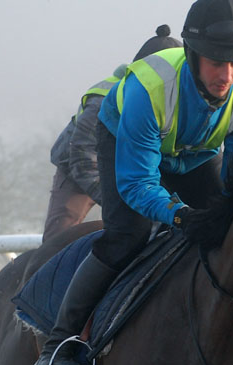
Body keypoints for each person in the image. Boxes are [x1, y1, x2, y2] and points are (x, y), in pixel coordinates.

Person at [28, 0, 233, 365]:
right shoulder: (151, 91)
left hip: (193, 155)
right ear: (192, 55)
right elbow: (137, 184)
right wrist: (178, 215)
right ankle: (59, 344)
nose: (226, 75)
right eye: (216, 62)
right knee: (127, 236)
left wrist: (226, 217)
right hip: (124, 143)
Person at [42, 25, 182, 242]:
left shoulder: (178, 95)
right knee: (59, 237)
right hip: (80, 166)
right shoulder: (102, 100)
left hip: (135, 160)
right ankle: (41, 270)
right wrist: (118, 201)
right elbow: (82, 160)